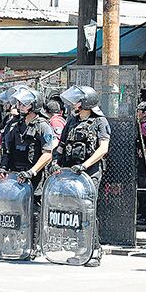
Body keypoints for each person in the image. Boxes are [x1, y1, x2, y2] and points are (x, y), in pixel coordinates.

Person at [0, 85, 57, 259]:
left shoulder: (43, 126)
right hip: (15, 174)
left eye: (24, 103)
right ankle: (10, 243)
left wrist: (32, 172)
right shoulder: (15, 124)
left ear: (34, 105)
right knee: (11, 208)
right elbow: (7, 151)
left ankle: (33, 245)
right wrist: (3, 168)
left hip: (34, 176)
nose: (20, 106)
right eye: (19, 103)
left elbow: (47, 154)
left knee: (34, 211)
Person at [56, 85, 111, 267]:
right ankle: (81, 249)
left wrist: (85, 165)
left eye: (78, 100)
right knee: (74, 210)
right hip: (72, 170)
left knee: (87, 209)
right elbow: (62, 145)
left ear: (87, 102)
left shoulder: (100, 122)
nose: (74, 103)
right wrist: (56, 163)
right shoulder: (72, 120)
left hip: (90, 172)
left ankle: (94, 251)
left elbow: (103, 148)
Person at [135, 101, 146, 227]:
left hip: (145, 162)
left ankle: (143, 215)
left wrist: (145, 151)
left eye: (139, 111)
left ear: (145, 113)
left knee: (143, 187)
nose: (137, 113)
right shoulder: (141, 123)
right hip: (141, 160)